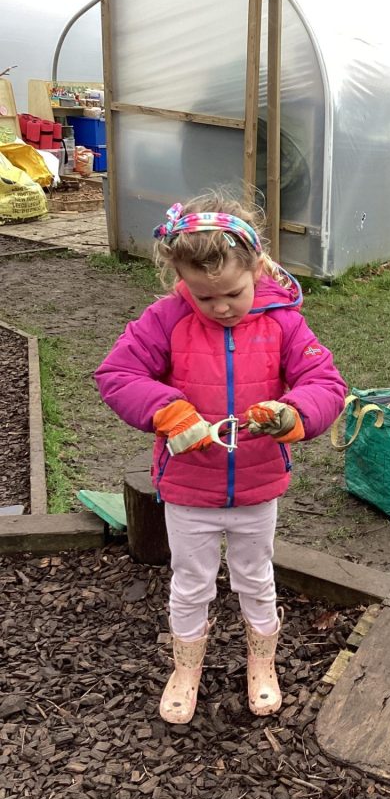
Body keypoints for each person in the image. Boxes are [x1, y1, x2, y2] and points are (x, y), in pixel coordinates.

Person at [95, 193, 346, 724]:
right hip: (189, 489)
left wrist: (292, 413)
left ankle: (262, 662)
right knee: (191, 582)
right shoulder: (165, 319)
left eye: (234, 292)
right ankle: (186, 668)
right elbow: (118, 374)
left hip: (257, 486)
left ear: (258, 268)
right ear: (180, 279)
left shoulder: (283, 323)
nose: (222, 307)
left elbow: (324, 382)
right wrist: (167, 411)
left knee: (256, 576)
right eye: (204, 297)